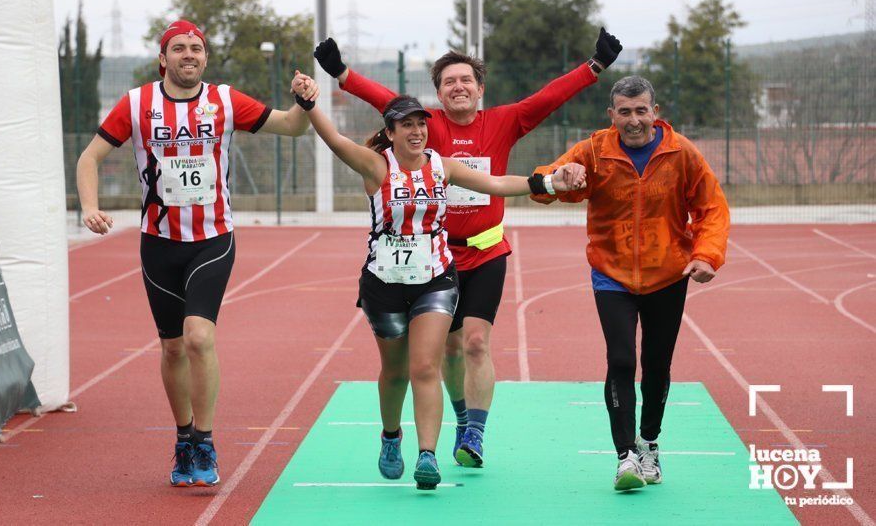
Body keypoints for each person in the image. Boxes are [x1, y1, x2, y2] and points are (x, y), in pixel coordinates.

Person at [313, 28, 622, 467]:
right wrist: (342, 73)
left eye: (466, 80)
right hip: (436, 259)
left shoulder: (505, 120)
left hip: (487, 252)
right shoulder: (424, 126)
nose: (458, 87)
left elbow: (549, 97)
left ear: (480, 89)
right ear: (438, 93)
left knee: (477, 343)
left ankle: (474, 432)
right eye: (448, 82)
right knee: (450, 350)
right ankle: (458, 414)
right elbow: (385, 100)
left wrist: (594, 67)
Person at [292, 79, 579, 489]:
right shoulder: (376, 166)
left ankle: (427, 455)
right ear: (390, 133)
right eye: (405, 125)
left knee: (425, 365)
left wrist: (549, 182)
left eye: (421, 124)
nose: (416, 131)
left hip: (435, 280)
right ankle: (391, 436)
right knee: (395, 372)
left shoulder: (443, 166)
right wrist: (309, 103)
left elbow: (497, 183)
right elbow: (334, 139)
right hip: (384, 282)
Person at [75, 20, 318, 488]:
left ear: (205, 58)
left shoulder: (225, 100)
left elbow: (291, 128)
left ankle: (204, 440)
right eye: (179, 48)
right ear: (162, 59)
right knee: (171, 347)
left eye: (197, 49)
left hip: (212, 239)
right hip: (158, 243)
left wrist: (304, 103)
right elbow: (89, 157)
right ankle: (184, 437)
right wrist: (90, 206)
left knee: (198, 338)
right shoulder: (136, 103)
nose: (189, 55)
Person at [530, 75, 730, 491]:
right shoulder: (594, 151)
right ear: (612, 115)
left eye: (642, 111)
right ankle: (625, 458)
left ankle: (650, 444)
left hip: (668, 275)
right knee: (621, 360)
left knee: (657, 364)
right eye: (625, 112)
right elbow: (545, 184)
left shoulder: (682, 154)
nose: (634, 120)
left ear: (655, 113)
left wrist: (706, 256)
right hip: (612, 275)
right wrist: (559, 175)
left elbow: (711, 209)